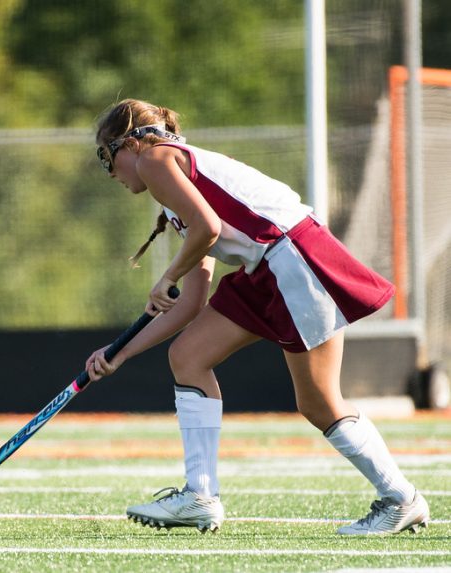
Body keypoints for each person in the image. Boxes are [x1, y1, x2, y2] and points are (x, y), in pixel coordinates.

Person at [86, 98, 429, 535]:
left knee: (319, 402)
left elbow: (208, 227)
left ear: (129, 143)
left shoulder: (155, 159)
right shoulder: (174, 195)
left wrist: (167, 275)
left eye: (106, 156)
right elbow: (191, 303)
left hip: (293, 257)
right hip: (266, 268)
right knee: (188, 356)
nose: (110, 172)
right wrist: (120, 353)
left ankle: (401, 498)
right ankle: (200, 496)